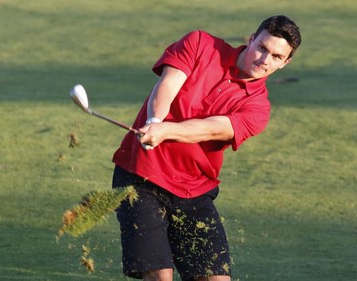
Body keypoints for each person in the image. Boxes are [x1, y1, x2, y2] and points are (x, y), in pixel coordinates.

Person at [112, 15, 301, 281]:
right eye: (262, 48)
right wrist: (155, 120)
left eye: (277, 57)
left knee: (216, 278)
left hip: (194, 190)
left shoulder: (258, 109)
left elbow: (211, 128)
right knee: (159, 276)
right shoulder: (200, 44)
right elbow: (167, 84)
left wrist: (166, 131)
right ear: (251, 39)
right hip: (140, 176)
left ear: (285, 63)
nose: (265, 60)